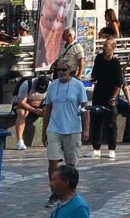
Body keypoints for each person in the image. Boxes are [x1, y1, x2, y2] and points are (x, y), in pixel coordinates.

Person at [39, 59, 90, 209]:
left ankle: (69, 193)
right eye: (58, 70)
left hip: (73, 129)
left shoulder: (78, 85)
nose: (61, 72)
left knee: (71, 164)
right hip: (54, 128)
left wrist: (86, 130)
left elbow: (85, 108)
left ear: (70, 71)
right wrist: (44, 132)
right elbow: (47, 109)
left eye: (64, 70)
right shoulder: (52, 86)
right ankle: (55, 193)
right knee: (52, 161)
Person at [90, 37, 125, 160]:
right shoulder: (99, 58)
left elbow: (119, 83)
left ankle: (111, 148)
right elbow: (95, 74)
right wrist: (92, 77)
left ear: (113, 48)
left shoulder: (115, 63)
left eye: (106, 46)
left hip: (110, 95)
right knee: (96, 121)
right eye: (103, 46)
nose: (104, 48)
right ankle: (96, 148)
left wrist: (113, 97)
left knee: (111, 123)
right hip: (99, 93)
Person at [13, 74, 50, 151]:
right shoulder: (27, 84)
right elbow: (21, 102)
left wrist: (44, 108)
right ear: (36, 82)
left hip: (41, 105)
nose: (38, 92)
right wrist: (34, 110)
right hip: (24, 104)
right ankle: (19, 141)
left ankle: (46, 138)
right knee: (22, 112)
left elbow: (51, 101)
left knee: (49, 112)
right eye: (37, 89)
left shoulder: (51, 85)